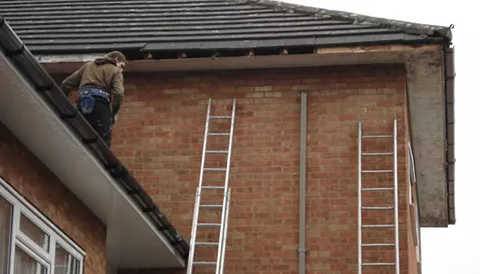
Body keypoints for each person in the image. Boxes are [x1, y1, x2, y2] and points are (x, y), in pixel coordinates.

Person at [60, 51, 127, 147]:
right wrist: (113, 112)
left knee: (81, 137)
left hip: (82, 102)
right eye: (122, 66)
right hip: (100, 104)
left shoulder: (88, 66)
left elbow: (66, 84)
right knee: (103, 140)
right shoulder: (115, 71)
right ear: (116, 59)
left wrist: (64, 105)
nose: (122, 69)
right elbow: (119, 93)